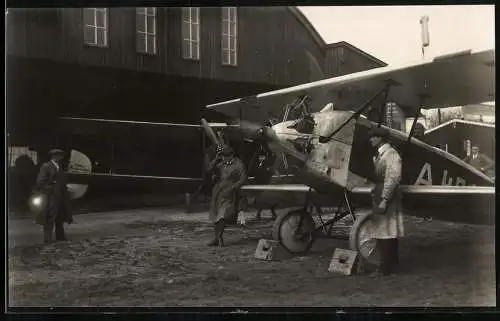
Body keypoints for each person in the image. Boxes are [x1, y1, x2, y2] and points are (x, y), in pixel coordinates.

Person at [368, 127, 403, 275]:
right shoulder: (381, 154)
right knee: (387, 232)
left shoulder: (391, 154)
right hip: (380, 193)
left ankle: (384, 268)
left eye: (373, 137)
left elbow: (393, 178)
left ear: (380, 138)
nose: (370, 140)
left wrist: (384, 199)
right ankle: (392, 266)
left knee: (386, 233)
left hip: (387, 196)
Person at [207, 145, 247, 247]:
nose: (224, 158)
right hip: (218, 191)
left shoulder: (239, 165)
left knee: (222, 215)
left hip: (229, 192)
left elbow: (243, 179)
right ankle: (216, 238)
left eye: (226, 156)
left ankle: (219, 237)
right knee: (216, 215)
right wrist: (216, 159)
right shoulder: (221, 163)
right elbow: (209, 169)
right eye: (223, 156)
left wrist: (234, 187)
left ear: (232, 155)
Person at [33, 149, 73, 243]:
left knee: (60, 217)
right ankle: (47, 239)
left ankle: (60, 237)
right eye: (59, 156)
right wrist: (51, 187)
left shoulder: (59, 167)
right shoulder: (46, 166)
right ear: (54, 156)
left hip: (60, 197)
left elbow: (62, 180)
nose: (61, 158)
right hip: (50, 197)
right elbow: (40, 181)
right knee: (49, 217)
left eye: (61, 156)